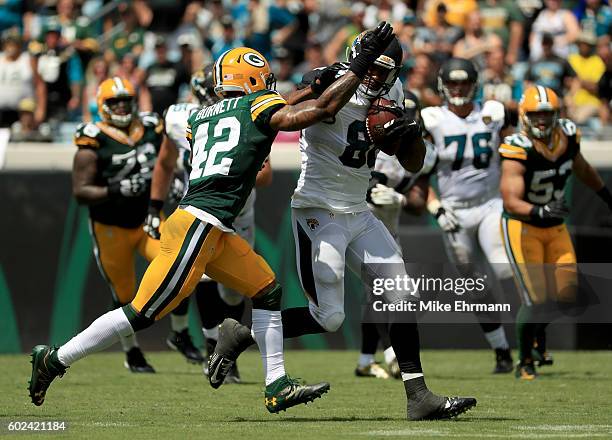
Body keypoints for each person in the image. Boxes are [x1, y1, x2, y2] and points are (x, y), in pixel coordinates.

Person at [28, 21, 396, 413]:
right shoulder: (256, 107)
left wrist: (307, 86)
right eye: (264, 80)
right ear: (255, 78)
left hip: (211, 226)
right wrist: (358, 66)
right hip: (200, 224)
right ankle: (55, 359)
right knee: (141, 313)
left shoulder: (201, 117)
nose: (270, 87)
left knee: (266, 289)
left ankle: (276, 384)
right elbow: (315, 110)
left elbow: (268, 105)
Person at [209, 33, 477, 421]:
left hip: (359, 209)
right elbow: (285, 109)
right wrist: (327, 84)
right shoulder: (327, 78)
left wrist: (409, 133)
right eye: (368, 66)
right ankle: (242, 334)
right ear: (357, 59)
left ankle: (418, 396)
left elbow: (414, 163)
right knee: (329, 318)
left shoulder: (394, 91)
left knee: (401, 295)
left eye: (383, 71)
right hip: (318, 209)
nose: (373, 77)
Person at [144, 65, 272, 384]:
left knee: (233, 293)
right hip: (203, 210)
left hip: (239, 213)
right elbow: (164, 162)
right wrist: (154, 206)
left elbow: (266, 175)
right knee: (198, 277)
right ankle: (213, 348)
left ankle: (224, 351)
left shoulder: (249, 113)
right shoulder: (180, 119)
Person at [70, 77, 202, 373]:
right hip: (110, 227)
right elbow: (81, 191)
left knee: (182, 266)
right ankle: (132, 352)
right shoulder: (93, 138)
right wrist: (116, 189)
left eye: (125, 100)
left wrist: (174, 181)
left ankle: (179, 332)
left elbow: (172, 157)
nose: (120, 106)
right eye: (113, 102)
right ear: (102, 106)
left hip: (148, 219)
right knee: (125, 296)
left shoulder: (151, 127)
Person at [498, 85, 612, 379]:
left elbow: (581, 167)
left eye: (547, 115)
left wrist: (606, 196)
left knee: (567, 293)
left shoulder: (568, 135)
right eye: (536, 115)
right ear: (524, 116)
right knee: (534, 299)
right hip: (522, 226)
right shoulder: (518, 146)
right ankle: (524, 361)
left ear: (557, 115)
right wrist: (540, 211)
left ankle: (537, 337)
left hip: (555, 226)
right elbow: (510, 200)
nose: (542, 121)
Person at [421, 58, 515, 374]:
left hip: (490, 205)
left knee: (504, 270)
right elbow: (416, 174)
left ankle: (532, 344)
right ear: (442, 86)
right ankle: (502, 350)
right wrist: (435, 206)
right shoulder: (432, 120)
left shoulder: (493, 114)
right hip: (454, 210)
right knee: (474, 284)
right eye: (453, 83)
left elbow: (517, 155)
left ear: (474, 83)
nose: (458, 89)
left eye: (464, 83)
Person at [355, 91, 434, 380]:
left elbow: (418, 205)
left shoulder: (424, 154)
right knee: (376, 293)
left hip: (389, 228)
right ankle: (391, 354)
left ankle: (366, 360)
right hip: (358, 222)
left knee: (386, 294)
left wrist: (399, 199)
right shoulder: (366, 140)